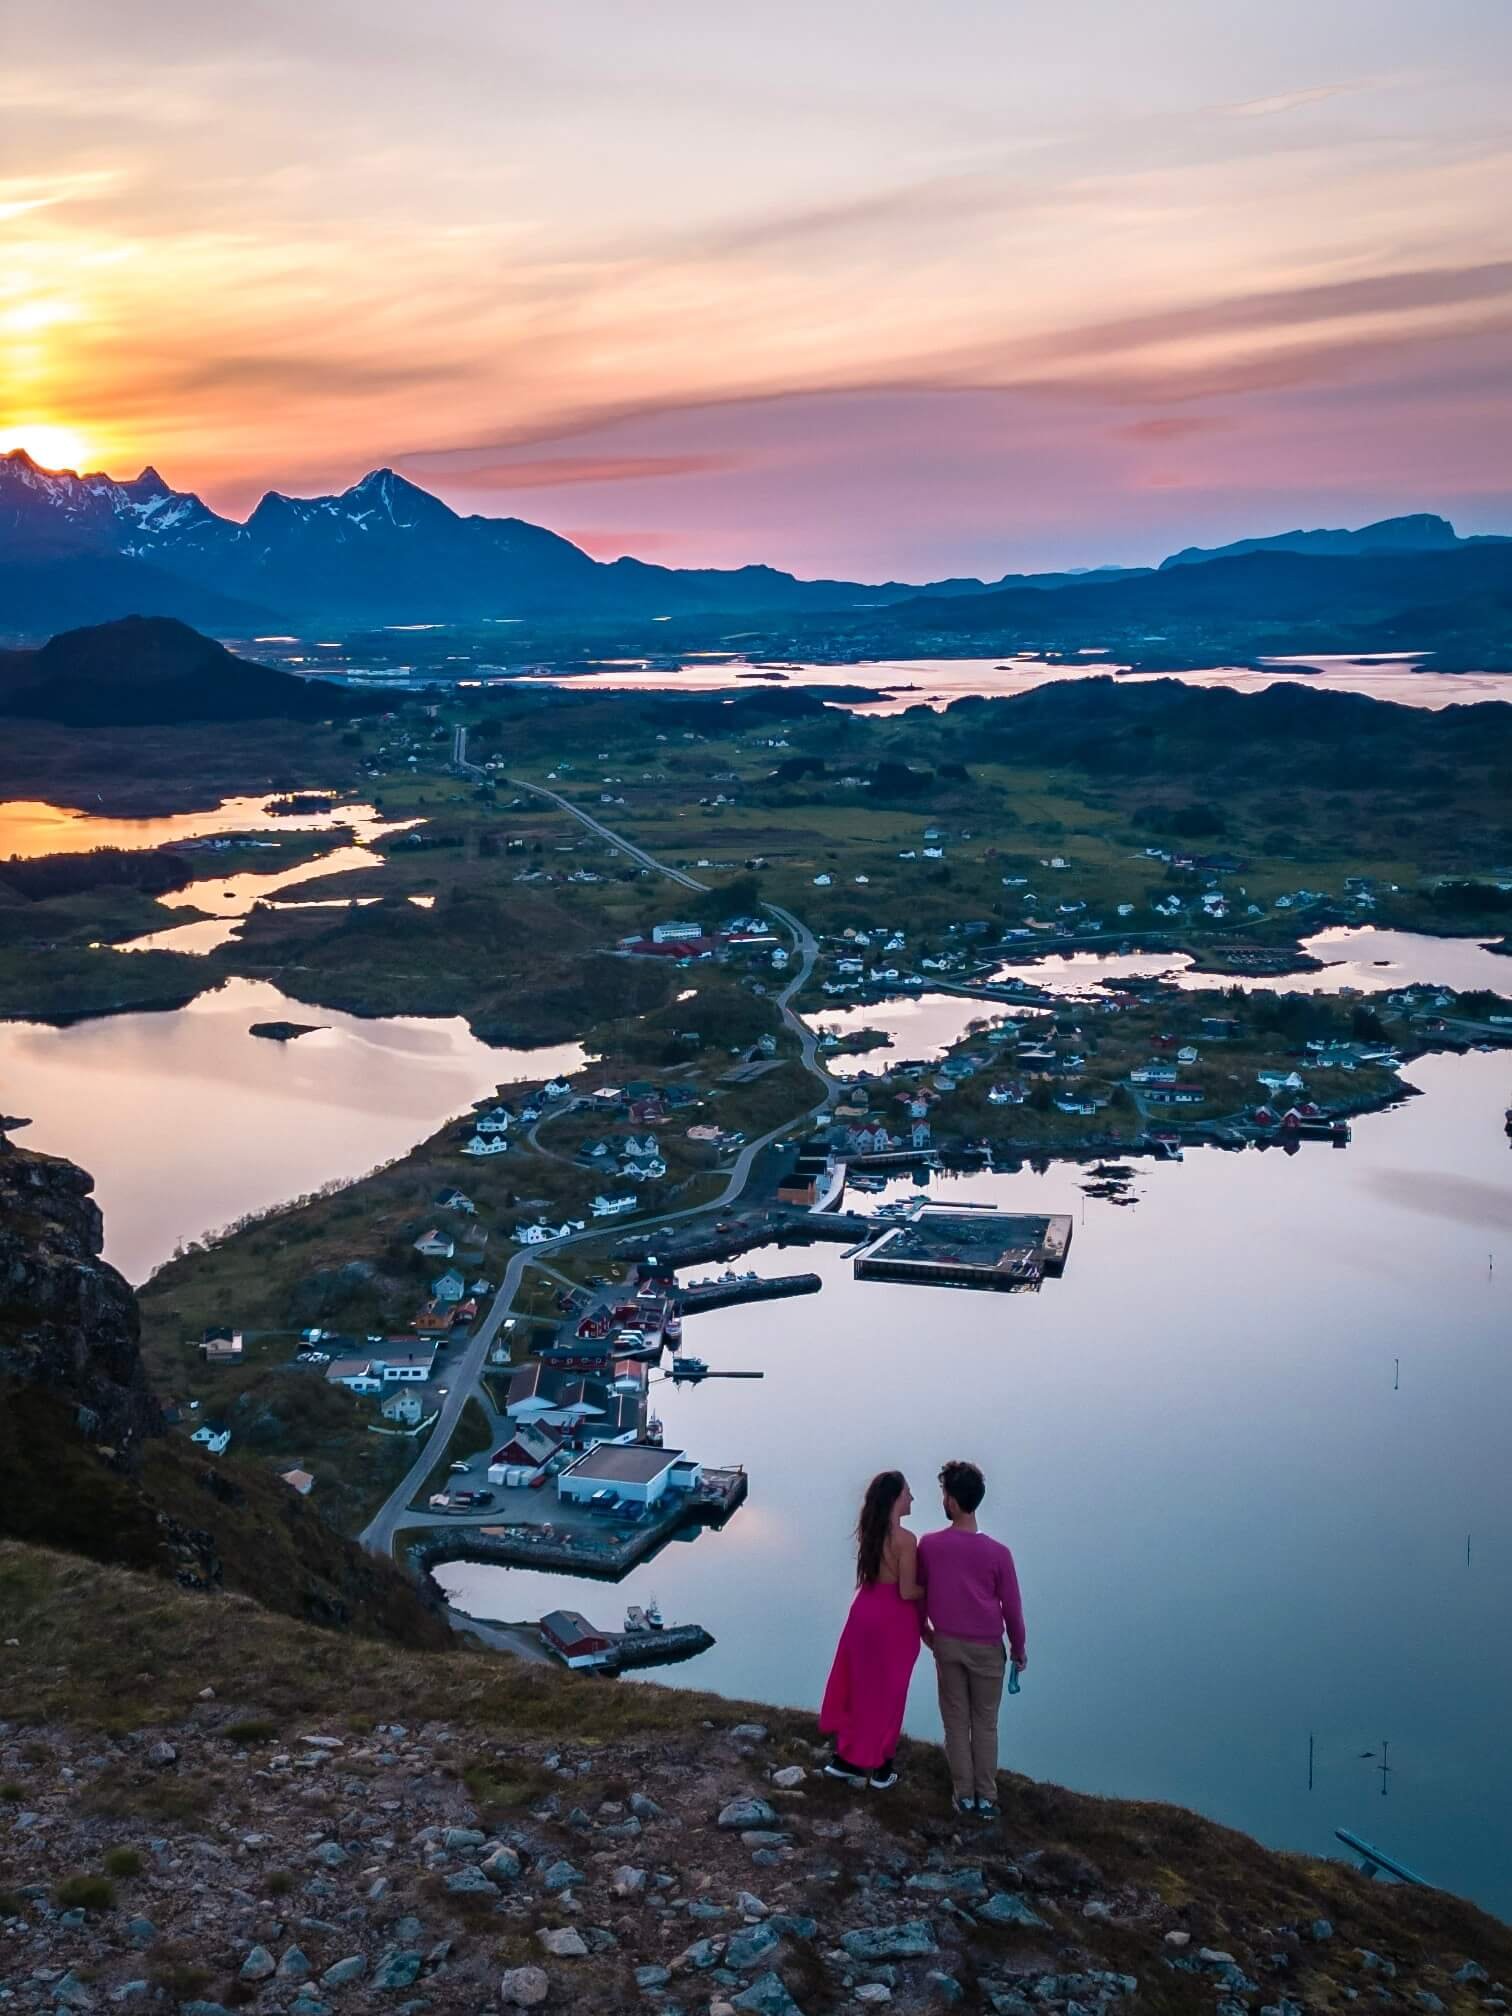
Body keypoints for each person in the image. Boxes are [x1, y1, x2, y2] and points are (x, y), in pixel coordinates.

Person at [917, 1458, 1026, 1819]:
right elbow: (1011, 1608)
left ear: (950, 1500)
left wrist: (924, 1630)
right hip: (987, 1649)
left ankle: (963, 1795)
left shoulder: (929, 1545)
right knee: (985, 1723)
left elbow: (920, 1592)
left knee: (955, 1720)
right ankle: (986, 1797)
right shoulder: (999, 1553)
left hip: (946, 1642)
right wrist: (1019, 1650)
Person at [819, 1470, 924, 1789]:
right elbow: (907, 1592)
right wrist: (932, 1588)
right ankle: (881, 1767)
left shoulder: (870, 1530)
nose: (911, 1497)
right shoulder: (906, 1540)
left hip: (863, 1613)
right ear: (895, 1498)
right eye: (907, 1492)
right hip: (893, 1621)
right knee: (891, 1692)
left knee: (859, 1687)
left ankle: (846, 1759)